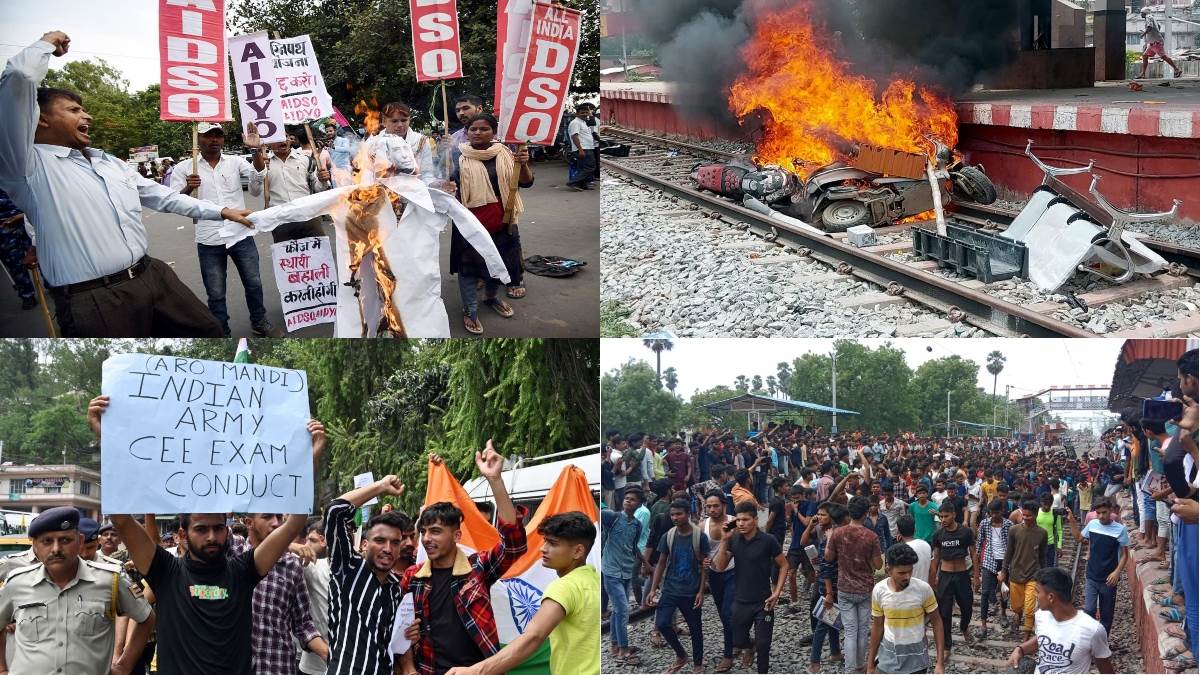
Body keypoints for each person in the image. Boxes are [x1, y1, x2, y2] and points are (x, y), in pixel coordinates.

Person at [0, 32, 253, 336]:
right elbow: (17, 78)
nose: (88, 116)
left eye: (84, 109)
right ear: (40, 118)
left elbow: (162, 196)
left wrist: (222, 211)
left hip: (152, 275)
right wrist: (45, 44)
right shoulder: (25, 166)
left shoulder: (108, 162)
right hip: (94, 299)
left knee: (211, 334)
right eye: (74, 110)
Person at [87, 394, 322, 675]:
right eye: (201, 529)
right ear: (183, 534)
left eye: (218, 528)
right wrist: (107, 436)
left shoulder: (244, 570)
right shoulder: (165, 571)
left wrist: (307, 458)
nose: (211, 536)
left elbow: (293, 524)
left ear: (227, 528)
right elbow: (122, 520)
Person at [400, 443, 527, 675]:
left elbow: (514, 546)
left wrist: (495, 480)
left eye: (436, 531)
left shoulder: (477, 567)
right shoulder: (413, 577)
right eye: (424, 531)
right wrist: (408, 666)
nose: (427, 538)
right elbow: (399, 630)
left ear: (457, 535)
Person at [0, 506, 155, 675]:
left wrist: (124, 666)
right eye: (47, 541)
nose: (56, 549)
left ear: (80, 541)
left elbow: (146, 618)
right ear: (35, 546)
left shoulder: (110, 580)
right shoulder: (16, 583)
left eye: (65, 540)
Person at [443, 512, 598, 675]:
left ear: (578, 551)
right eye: (545, 541)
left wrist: (475, 671)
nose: (543, 548)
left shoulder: (565, 587)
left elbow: (533, 637)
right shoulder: (593, 579)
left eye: (552, 543)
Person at [171, 122, 273, 337]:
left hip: (240, 234)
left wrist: (255, 152)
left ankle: (259, 322)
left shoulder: (235, 162)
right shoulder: (184, 168)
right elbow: (174, 202)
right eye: (208, 135)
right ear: (198, 138)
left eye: (218, 135)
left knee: (254, 283)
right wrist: (188, 187)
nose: (214, 140)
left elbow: (256, 187)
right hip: (208, 238)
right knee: (215, 293)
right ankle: (222, 332)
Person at [450, 113, 531, 334]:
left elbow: (527, 182)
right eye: (473, 129)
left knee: (499, 261)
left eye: (483, 129)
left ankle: (491, 297)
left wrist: (523, 165)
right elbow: (445, 184)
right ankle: (470, 310)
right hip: (469, 221)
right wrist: (446, 186)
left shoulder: (506, 153)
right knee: (468, 268)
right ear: (466, 132)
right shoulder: (457, 154)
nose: (477, 133)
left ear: (493, 132)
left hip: (504, 219)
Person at [228, 513, 328, 674]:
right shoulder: (233, 551)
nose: (275, 523)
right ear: (249, 522)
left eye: (280, 518)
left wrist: (330, 655)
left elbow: (303, 625)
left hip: (277, 666)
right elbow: (211, 525)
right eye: (267, 517)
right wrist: (288, 544)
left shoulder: (292, 566)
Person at [711, 501, 787, 674]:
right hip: (740, 600)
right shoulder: (734, 539)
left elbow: (784, 565)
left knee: (764, 644)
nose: (741, 524)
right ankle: (749, 646)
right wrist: (724, 540)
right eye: (738, 520)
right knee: (737, 641)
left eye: (745, 520)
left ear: (755, 519)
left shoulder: (768, 540)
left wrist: (776, 592)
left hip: (763, 601)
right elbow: (720, 566)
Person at [1006, 567, 1114, 674]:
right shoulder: (1041, 616)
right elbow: (1042, 640)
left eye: (1038, 592)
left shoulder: (1093, 630)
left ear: (1051, 597)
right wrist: (1020, 649)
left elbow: (1105, 669)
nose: (1035, 595)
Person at [645, 499, 708, 673]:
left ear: (688, 514)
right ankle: (681, 655)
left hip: (691, 590)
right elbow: (661, 563)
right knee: (663, 623)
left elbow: (704, 565)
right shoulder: (669, 536)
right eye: (672, 514)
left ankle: (697, 663)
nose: (675, 517)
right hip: (670, 589)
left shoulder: (699, 536)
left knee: (695, 629)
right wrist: (653, 588)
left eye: (679, 514)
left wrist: (701, 591)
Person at [866, 542, 946, 674]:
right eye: (901, 573)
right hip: (887, 660)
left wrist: (940, 663)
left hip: (917, 662)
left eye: (910, 571)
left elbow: (937, 623)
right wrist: (870, 665)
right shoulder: (879, 591)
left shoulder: (923, 589)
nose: (907, 576)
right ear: (889, 570)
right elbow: (877, 626)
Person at [825, 495, 883, 672]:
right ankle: (859, 665)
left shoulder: (838, 533)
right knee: (862, 629)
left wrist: (829, 539)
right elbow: (879, 565)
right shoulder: (871, 536)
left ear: (849, 512)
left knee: (850, 631)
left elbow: (828, 558)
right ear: (866, 513)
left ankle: (850, 669)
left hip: (844, 588)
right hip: (865, 588)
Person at [601, 487, 648, 665]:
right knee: (622, 609)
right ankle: (623, 648)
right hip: (611, 571)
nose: (628, 501)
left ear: (639, 504)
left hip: (627, 571)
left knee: (618, 611)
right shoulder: (611, 517)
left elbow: (633, 547)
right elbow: (595, 511)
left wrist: (646, 562)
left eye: (633, 499)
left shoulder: (637, 525)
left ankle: (614, 644)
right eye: (626, 498)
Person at [1070, 497, 1128, 636]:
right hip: (1092, 575)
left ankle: (1102, 643)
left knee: (1106, 614)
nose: (1101, 516)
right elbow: (1080, 539)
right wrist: (1072, 521)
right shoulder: (1093, 525)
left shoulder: (1120, 530)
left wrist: (1116, 572)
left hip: (1109, 579)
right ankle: (1089, 638)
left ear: (1111, 511)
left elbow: (1125, 554)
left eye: (1104, 512)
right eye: (1099, 513)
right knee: (1089, 609)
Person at [263, 126, 331, 242]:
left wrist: (323, 179)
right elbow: (254, 191)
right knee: (288, 259)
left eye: (285, 136)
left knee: (318, 256)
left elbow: (318, 187)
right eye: (277, 137)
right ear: (269, 143)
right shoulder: (263, 165)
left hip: (309, 218)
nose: (282, 140)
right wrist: (259, 170)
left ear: (290, 139)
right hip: (280, 221)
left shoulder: (306, 160)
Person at [929, 501, 976, 650]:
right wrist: (932, 579)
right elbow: (935, 558)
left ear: (954, 515)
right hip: (945, 576)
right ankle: (947, 646)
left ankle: (964, 627)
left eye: (946, 516)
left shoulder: (965, 532)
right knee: (945, 612)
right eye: (941, 517)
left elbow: (974, 554)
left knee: (967, 607)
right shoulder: (938, 534)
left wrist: (976, 575)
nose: (943, 520)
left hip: (962, 575)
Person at [702, 489, 738, 673]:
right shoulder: (703, 526)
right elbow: (700, 551)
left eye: (715, 505)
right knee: (723, 613)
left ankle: (728, 654)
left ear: (724, 505)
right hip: (714, 574)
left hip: (733, 571)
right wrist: (703, 560)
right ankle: (740, 640)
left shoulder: (733, 522)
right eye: (708, 506)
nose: (712, 509)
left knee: (726, 612)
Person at [1004, 500, 1049, 641]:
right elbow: (1009, 552)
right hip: (1016, 574)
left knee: (1029, 609)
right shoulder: (1014, 530)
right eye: (1023, 515)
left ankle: (1026, 635)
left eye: (1028, 516)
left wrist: (1044, 576)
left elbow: (1043, 556)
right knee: (1016, 606)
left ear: (1035, 516)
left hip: (1033, 575)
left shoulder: (1042, 533)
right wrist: (1004, 570)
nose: (1025, 518)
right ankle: (1017, 614)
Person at [299, 521, 332, 675]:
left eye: (311, 540)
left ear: (324, 540)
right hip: (313, 667)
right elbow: (274, 547)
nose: (306, 545)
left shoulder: (362, 572)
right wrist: (295, 547)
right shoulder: (313, 568)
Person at [976, 498, 1012, 638]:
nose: (994, 516)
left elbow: (1012, 544)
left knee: (1004, 590)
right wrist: (978, 558)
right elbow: (980, 541)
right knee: (985, 593)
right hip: (989, 560)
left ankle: (1003, 614)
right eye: (992, 513)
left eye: (997, 513)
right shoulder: (985, 523)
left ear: (1002, 511)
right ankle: (983, 625)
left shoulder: (1009, 524)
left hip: (1004, 562)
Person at [0, 189, 36, 310]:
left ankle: (53, 284)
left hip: (25, 219)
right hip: (3, 227)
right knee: (15, 264)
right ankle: (27, 295)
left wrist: (23, 215)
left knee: (40, 253)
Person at [1139, 8, 1184, 79]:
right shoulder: (1152, 18)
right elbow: (1158, 26)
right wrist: (1152, 33)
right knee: (1145, 56)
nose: (1140, 14)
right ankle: (1142, 73)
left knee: (1163, 57)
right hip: (1153, 43)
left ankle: (1177, 69)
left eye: (1141, 13)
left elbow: (1150, 27)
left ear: (1144, 13)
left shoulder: (1148, 17)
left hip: (1156, 42)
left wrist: (1143, 34)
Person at [894, 515, 931, 587]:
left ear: (898, 531)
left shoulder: (901, 550)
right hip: (925, 588)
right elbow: (931, 569)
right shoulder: (926, 545)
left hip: (908, 591)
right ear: (915, 529)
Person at [566, 103, 595, 191]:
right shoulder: (575, 123)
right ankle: (572, 182)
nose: (585, 114)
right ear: (577, 114)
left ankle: (582, 184)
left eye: (586, 112)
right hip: (583, 149)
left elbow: (592, 122)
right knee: (590, 167)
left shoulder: (583, 122)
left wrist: (590, 114)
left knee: (582, 168)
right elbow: (574, 136)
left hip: (587, 147)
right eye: (582, 113)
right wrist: (580, 150)